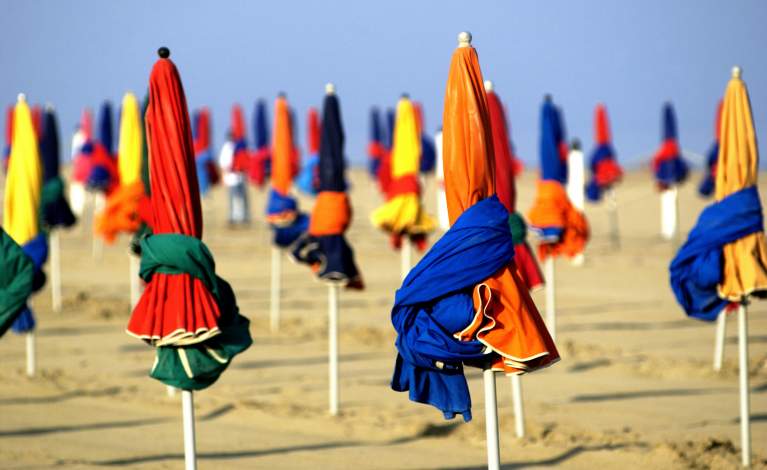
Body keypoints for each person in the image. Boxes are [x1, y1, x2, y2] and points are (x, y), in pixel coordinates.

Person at [218, 131, 250, 225]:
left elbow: (223, 164)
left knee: (236, 198)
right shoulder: (236, 147)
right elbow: (224, 164)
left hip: (234, 177)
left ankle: (237, 216)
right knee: (238, 198)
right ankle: (239, 216)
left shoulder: (232, 148)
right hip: (236, 177)